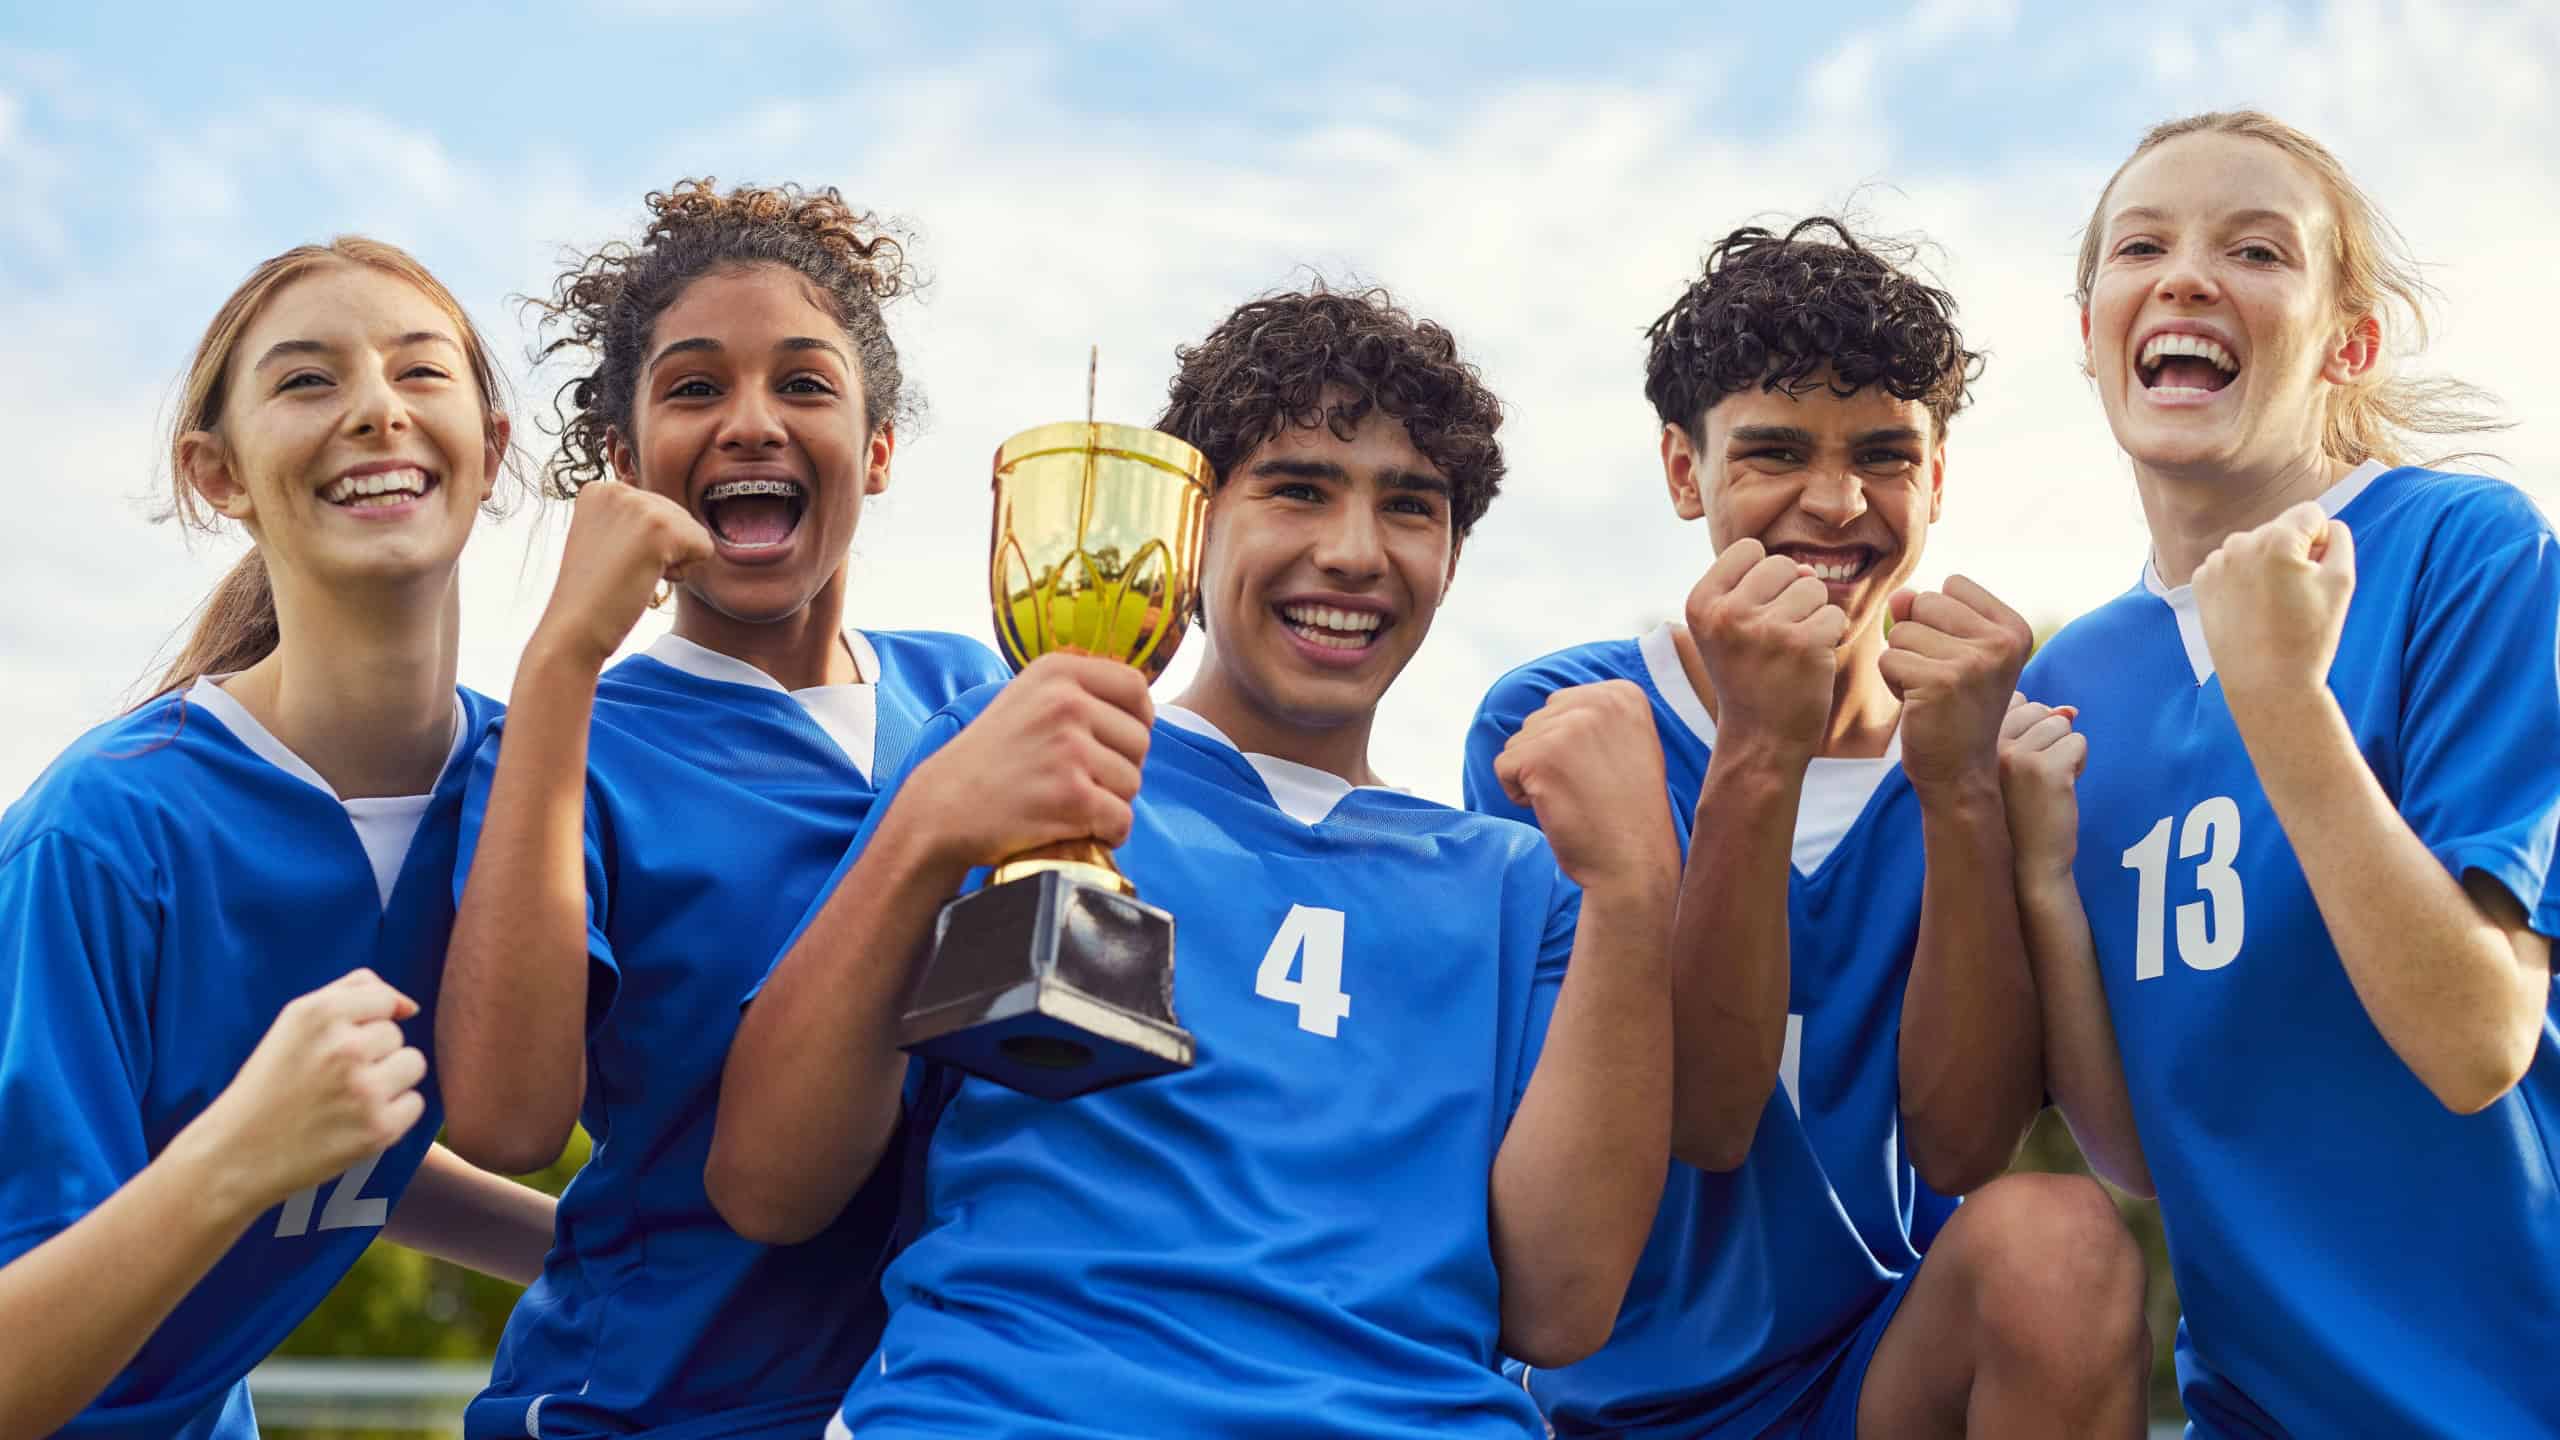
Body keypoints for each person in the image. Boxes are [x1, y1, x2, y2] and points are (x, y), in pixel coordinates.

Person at [709, 285, 1679, 1438]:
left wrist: (1632, 897)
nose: (1354, 552)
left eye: (1409, 506)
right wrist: (925, 834)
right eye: (1299, 489)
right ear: (1193, 521)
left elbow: (1559, 1310)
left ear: (1452, 556)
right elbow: (769, 1186)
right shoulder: (1015, 755)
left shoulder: (1520, 883)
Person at [1469, 218, 2150, 1439]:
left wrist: (1958, 793)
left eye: (1885, 456)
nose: (1835, 505)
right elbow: (1708, 1121)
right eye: (1774, 452)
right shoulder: (1559, 722)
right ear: (1685, 471)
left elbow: (1960, 1151)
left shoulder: (1991, 731)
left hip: (1876, 1376)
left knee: (2059, 1239)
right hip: (1603, 1397)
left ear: (1935, 479)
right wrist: (1759, 746)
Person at [2005, 109, 2558, 1438]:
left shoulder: (2463, 554)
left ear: (2346, 341)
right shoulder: (2074, 678)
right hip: (2255, 1407)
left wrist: (2279, 700)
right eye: (2144, 245)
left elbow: (2477, 1040)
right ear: (2094, 332)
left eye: (2256, 250)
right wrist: (2038, 882)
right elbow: (2146, 1153)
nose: (2189, 274)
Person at [435, 181, 1009, 1440]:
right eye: (695, 388)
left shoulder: (976, 693)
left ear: (876, 449)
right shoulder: (562, 743)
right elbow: (506, 1121)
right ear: (628, 468)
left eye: (804, 385)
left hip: (949, 1405)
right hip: (650, 1406)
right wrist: (556, 665)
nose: (752, 423)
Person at [0, 238, 554, 1440]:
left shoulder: (527, 795)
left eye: (419, 373)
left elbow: (355, 1149)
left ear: (492, 446)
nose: (374, 411)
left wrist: (606, 1255)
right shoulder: (96, 841)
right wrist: (237, 1154)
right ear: (217, 474)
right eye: (307, 381)